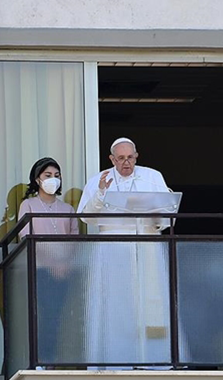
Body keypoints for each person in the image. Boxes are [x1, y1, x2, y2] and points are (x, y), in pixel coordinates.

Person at [76, 137, 173, 365]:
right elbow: (85, 217)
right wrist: (100, 193)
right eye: (121, 158)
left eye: (130, 157)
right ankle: (115, 360)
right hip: (114, 250)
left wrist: (157, 217)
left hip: (148, 247)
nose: (126, 162)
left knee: (149, 304)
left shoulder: (153, 176)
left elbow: (168, 214)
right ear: (112, 159)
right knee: (116, 307)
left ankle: (153, 361)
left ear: (136, 156)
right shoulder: (99, 180)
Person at [17, 157, 79, 365]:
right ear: (37, 180)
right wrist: (52, 264)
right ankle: (41, 360)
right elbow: (27, 237)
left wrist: (65, 264)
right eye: (48, 176)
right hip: (41, 270)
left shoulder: (67, 209)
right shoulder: (29, 205)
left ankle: (54, 360)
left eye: (56, 176)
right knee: (42, 315)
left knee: (59, 316)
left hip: (64, 272)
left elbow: (74, 238)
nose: (53, 179)